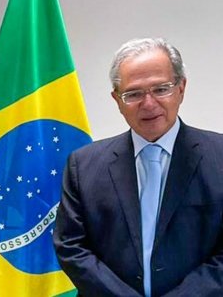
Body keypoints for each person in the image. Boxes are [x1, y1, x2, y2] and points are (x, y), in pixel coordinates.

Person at [53, 38, 223, 297]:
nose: (149, 103)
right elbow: (71, 246)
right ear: (117, 100)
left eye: (161, 89)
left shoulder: (219, 157)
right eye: (133, 94)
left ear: (181, 88)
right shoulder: (83, 165)